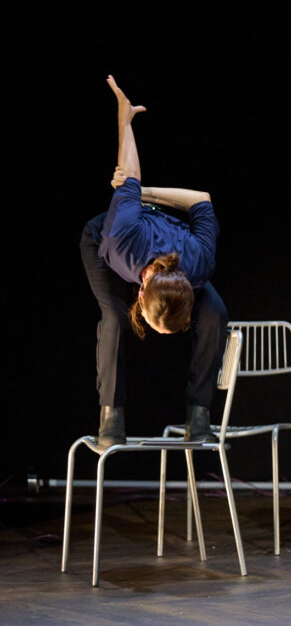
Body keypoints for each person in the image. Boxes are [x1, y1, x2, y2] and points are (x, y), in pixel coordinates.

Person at [80, 76, 228, 450]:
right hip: (100, 241)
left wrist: (143, 193)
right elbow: (129, 171)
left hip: (156, 234)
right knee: (115, 318)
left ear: (190, 288)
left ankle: (199, 415)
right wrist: (124, 118)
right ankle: (111, 418)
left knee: (216, 314)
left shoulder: (198, 262)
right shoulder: (121, 240)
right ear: (140, 291)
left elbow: (201, 199)